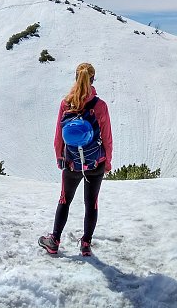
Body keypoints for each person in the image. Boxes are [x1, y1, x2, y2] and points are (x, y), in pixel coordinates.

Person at [38, 63, 113, 256]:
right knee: (92, 203)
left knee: (65, 200)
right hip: (95, 163)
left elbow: (58, 137)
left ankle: (54, 241)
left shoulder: (66, 103)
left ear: (75, 78)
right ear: (93, 79)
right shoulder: (100, 106)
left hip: (71, 163)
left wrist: (59, 157)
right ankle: (86, 244)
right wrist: (108, 162)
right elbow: (107, 137)